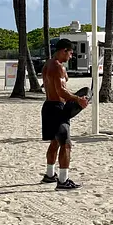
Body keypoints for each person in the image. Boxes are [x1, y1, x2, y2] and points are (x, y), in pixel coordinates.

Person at [41, 39, 89, 190]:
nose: (71, 56)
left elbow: (52, 84)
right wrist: (78, 99)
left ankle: (50, 175)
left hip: (48, 106)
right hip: (57, 108)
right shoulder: (58, 67)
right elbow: (61, 90)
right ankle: (63, 181)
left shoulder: (48, 64)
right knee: (66, 145)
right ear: (64, 51)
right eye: (70, 53)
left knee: (54, 143)